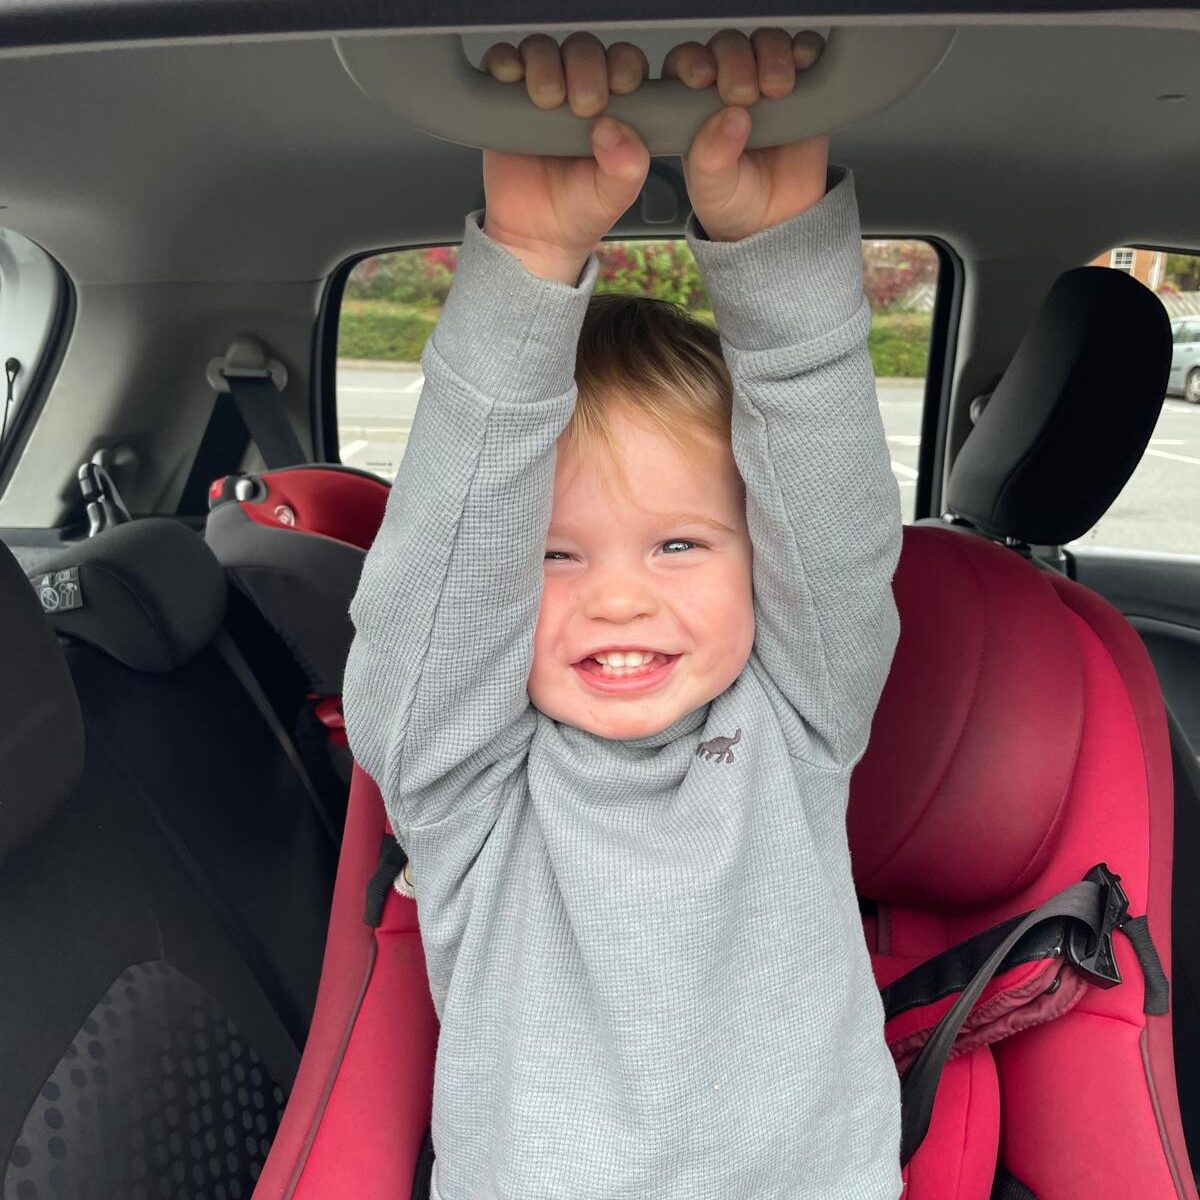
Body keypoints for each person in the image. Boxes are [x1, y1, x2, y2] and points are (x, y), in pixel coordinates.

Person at [343, 27, 904, 1200]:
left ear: (762, 563)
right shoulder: (468, 786)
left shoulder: (800, 716)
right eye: (550, 554)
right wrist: (533, 262)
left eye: (681, 543)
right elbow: (439, 593)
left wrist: (778, 260)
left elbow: (835, 531)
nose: (615, 597)